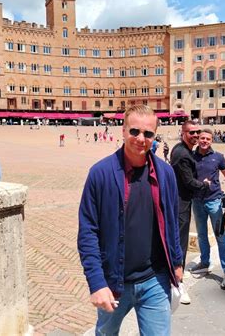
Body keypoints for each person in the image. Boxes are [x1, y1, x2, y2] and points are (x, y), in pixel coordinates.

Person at [78, 105, 182, 335]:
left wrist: (176, 262)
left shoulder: (165, 173)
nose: (140, 139)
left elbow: (172, 220)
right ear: (123, 131)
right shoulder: (100, 173)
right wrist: (97, 283)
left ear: (155, 136)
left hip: (156, 278)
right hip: (114, 282)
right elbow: (88, 232)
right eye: (134, 131)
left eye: (148, 133)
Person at [190, 129, 225, 290]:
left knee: (221, 237)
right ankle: (204, 262)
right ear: (198, 139)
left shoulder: (218, 157)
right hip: (197, 201)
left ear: (211, 140)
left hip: (214, 201)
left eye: (207, 139)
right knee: (202, 235)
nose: (204, 141)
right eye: (202, 138)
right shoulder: (191, 156)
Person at [170, 120, 209, 304]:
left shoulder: (182, 150)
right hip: (180, 203)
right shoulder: (182, 154)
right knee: (180, 241)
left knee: (179, 240)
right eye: (191, 132)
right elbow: (188, 182)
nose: (195, 135)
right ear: (183, 133)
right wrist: (204, 184)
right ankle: (178, 283)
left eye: (197, 132)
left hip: (181, 200)